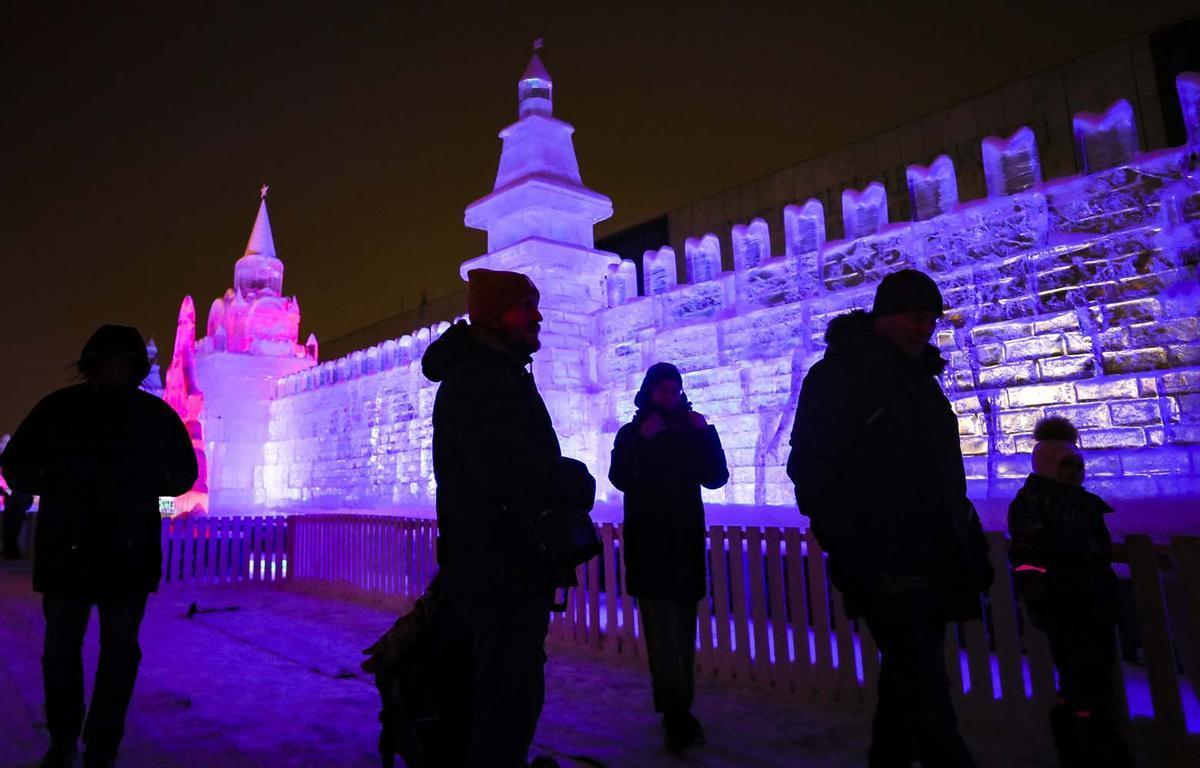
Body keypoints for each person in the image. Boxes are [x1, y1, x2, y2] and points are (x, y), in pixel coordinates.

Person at [787, 269, 993, 768]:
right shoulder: (840, 377)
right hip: (884, 562)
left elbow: (942, 474)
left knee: (909, 681)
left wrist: (967, 538)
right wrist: (854, 547)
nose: (925, 329)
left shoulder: (920, 381)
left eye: (931, 320)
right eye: (916, 317)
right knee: (923, 680)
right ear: (885, 317)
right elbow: (812, 469)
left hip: (933, 554)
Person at [0, 325, 198, 768]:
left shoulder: (154, 416)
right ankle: (64, 739)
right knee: (61, 653)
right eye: (110, 361)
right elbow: (15, 465)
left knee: (119, 653)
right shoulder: (59, 410)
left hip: (125, 556)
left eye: (123, 363)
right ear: (92, 365)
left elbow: (183, 473)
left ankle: (102, 745)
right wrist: (61, 485)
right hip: (69, 553)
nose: (115, 370)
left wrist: (139, 486)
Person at [421, 268, 595, 768]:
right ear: (496, 315)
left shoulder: (495, 371)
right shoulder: (483, 378)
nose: (537, 316)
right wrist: (573, 479)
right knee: (506, 693)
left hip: (498, 562)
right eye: (525, 306)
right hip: (500, 565)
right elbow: (504, 468)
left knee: (503, 687)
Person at [609, 362, 728, 752]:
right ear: (650, 392)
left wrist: (706, 432)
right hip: (651, 549)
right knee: (663, 637)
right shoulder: (633, 433)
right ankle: (676, 713)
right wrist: (642, 441)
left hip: (684, 546)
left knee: (681, 635)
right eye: (663, 390)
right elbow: (620, 476)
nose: (669, 396)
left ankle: (680, 709)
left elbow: (716, 476)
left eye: (674, 390)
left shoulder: (688, 432)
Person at [1008, 416, 1133, 768]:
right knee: (1083, 674)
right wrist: (1039, 593)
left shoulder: (1079, 502)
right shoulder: (1037, 503)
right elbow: (1027, 553)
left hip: (1092, 598)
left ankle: (1092, 738)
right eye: (1067, 465)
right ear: (1049, 464)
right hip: (1066, 601)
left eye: (1078, 465)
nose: (1076, 472)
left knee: (1095, 672)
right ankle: (1087, 743)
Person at [2, 484, 34, 559]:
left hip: (13, 515)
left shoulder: (13, 491)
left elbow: (9, 494)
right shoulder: (24, 492)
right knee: (13, 536)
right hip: (17, 515)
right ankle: (13, 554)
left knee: (10, 536)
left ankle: (12, 554)